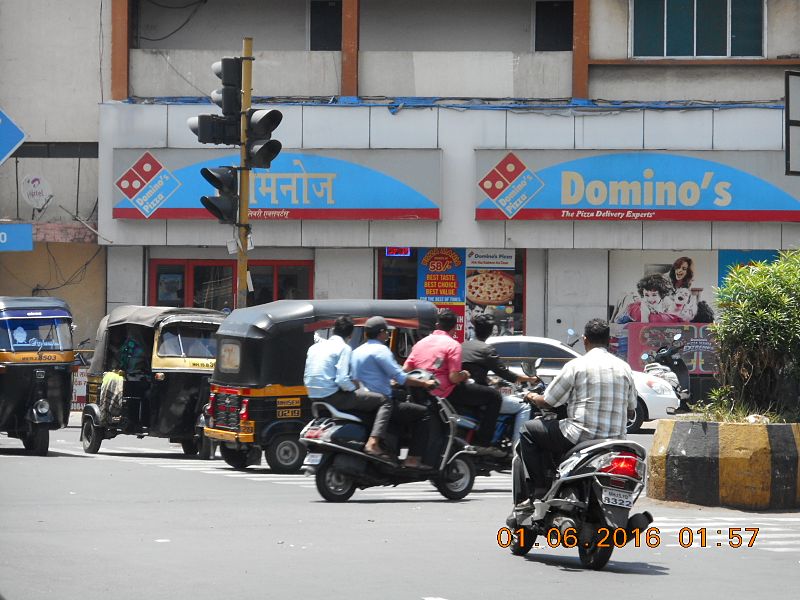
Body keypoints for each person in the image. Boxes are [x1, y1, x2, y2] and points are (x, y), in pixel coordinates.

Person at [516, 319, 637, 506]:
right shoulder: (624, 368)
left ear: (585, 340)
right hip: (616, 441)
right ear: (608, 340)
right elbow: (630, 412)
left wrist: (531, 396)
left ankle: (539, 488)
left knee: (527, 430)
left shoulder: (576, 366)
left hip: (580, 435)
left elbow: (549, 401)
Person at [404, 309, 503, 456]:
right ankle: (483, 443)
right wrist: (464, 374)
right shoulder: (453, 345)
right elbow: (453, 378)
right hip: (445, 392)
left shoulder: (420, 343)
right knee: (495, 397)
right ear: (455, 327)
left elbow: (406, 369)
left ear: (437, 325)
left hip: (421, 391)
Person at [350, 316, 438, 467]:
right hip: (381, 401)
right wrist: (425, 383)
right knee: (424, 414)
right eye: (386, 332)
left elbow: (355, 378)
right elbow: (402, 378)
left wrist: (388, 382)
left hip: (364, 400)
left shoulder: (357, 351)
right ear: (381, 333)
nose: (388, 335)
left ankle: (392, 450)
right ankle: (413, 459)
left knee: (402, 399)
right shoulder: (381, 351)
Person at [303, 315, 393, 459]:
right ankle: (373, 443)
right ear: (351, 335)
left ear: (333, 330)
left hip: (313, 396)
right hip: (333, 397)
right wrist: (355, 388)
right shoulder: (344, 348)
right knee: (384, 401)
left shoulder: (314, 347)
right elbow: (342, 380)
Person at [461, 313, 539, 445]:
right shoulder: (486, 349)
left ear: (474, 329)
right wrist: (531, 379)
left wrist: (490, 381)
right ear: (491, 331)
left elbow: (471, 371)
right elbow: (506, 374)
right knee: (524, 406)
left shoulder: (463, 345)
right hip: (477, 396)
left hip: (463, 392)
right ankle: (517, 449)